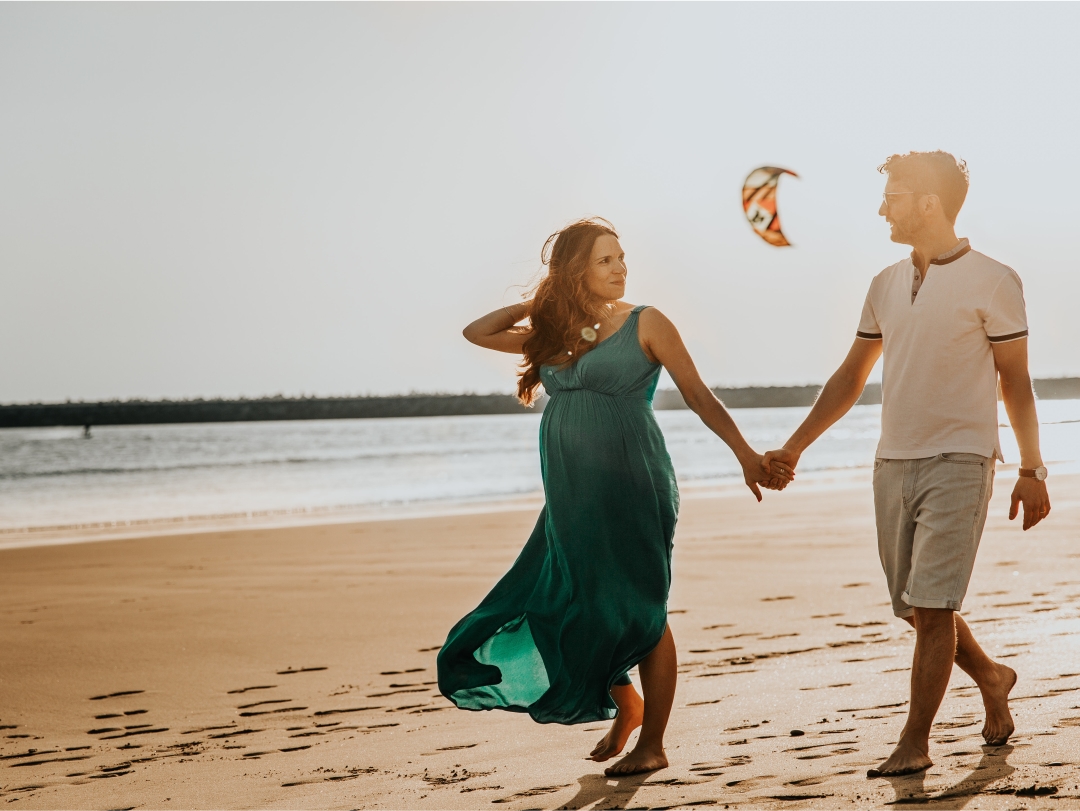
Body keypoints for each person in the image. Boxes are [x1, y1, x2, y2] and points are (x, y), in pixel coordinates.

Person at [437, 218, 792, 776]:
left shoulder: (647, 323)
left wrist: (746, 455)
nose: (620, 268)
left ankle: (653, 741)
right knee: (576, 597)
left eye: (622, 257)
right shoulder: (553, 333)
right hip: (571, 490)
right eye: (605, 260)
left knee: (641, 605)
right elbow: (477, 332)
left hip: (632, 481)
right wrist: (543, 304)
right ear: (575, 271)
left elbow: (698, 396)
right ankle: (626, 702)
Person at [763, 151, 1051, 778]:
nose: (881, 208)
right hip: (892, 461)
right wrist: (795, 445)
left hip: (961, 459)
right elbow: (850, 376)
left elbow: (1016, 383)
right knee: (915, 607)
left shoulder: (995, 279)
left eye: (892, 197)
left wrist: (1032, 469)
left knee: (935, 608)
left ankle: (915, 741)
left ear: (929, 203)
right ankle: (994, 676)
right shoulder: (884, 282)